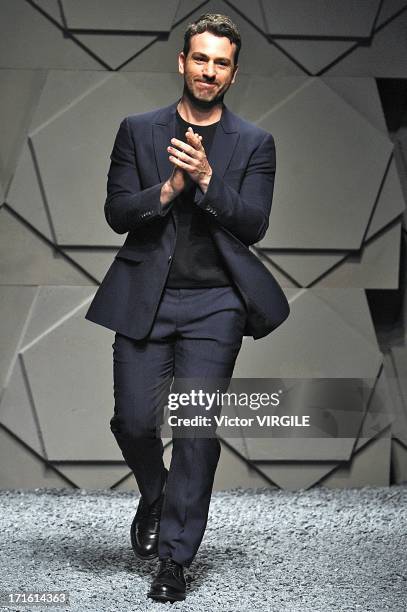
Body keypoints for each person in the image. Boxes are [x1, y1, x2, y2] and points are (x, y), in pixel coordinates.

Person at [85, 12, 289, 604]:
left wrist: (206, 179)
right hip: (144, 296)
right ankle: (158, 493)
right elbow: (118, 212)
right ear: (182, 62)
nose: (209, 70)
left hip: (215, 305)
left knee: (196, 431)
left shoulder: (254, 143)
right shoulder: (138, 130)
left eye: (221, 62)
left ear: (232, 72)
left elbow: (254, 223)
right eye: (200, 58)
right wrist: (169, 191)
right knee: (134, 421)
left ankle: (175, 560)